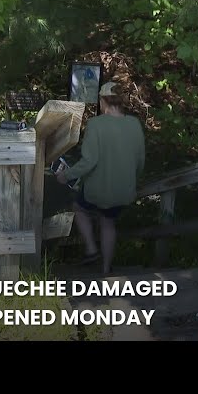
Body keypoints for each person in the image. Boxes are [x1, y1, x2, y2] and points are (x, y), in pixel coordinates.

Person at [55, 81, 145, 275]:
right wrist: (132, 181)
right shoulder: (134, 124)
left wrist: (66, 175)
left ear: (103, 101)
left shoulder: (96, 124)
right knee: (108, 222)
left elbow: (89, 161)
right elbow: (140, 160)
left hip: (98, 191)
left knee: (78, 207)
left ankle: (91, 249)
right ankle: (105, 269)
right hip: (124, 190)